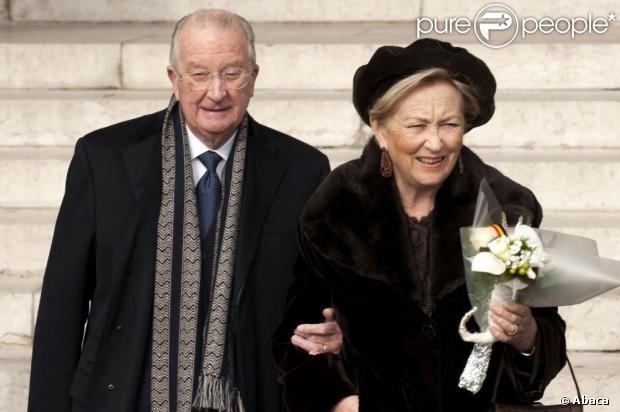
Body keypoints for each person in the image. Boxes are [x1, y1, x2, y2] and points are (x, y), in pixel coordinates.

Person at [27, 9, 332, 412]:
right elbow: (61, 309)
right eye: (200, 74)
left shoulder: (302, 170)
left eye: (232, 73)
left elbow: (318, 300)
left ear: (254, 78)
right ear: (174, 79)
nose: (217, 92)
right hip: (124, 395)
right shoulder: (103, 159)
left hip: (249, 396)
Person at [273, 38, 567, 411]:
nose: (435, 142)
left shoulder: (508, 209)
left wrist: (527, 334)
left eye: (449, 124)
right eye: (416, 125)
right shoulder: (332, 213)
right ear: (379, 128)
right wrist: (341, 401)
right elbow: (294, 341)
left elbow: (548, 338)